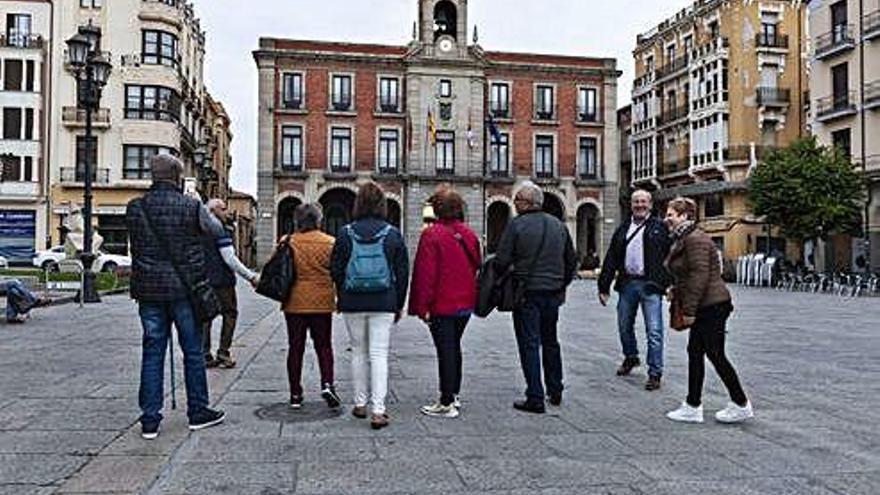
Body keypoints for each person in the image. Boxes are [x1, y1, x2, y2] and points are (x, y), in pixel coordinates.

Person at [126, 154, 226, 439]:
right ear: (178, 177)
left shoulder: (136, 207)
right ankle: (198, 411)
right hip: (185, 289)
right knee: (193, 352)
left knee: (152, 352)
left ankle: (149, 419)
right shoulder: (191, 206)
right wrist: (198, 209)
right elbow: (217, 230)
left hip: (149, 290)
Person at [663, 197, 753, 424]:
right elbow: (689, 274)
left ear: (685, 216)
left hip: (710, 305)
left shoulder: (695, 239)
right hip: (707, 304)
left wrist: (690, 309)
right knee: (697, 352)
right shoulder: (686, 238)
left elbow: (700, 276)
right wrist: (676, 290)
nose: (667, 218)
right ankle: (693, 405)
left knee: (714, 353)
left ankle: (740, 403)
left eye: (671, 214)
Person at [330, 182, 409, 429]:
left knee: (358, 352)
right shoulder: (393, 234)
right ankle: (378, 410)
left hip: (353, 300)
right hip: (384, 300)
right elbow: (403, 272)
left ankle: (360, 403)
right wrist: (398, 303)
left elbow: (335, 269)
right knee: (379, 354)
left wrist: (342, 295)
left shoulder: (345, 233)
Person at [495, 181, 578, 414]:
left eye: (518, 200)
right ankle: (556, 388)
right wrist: (561, 284)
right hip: (552, 294)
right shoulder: (559, 226)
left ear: (528, 203)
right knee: (550, 340)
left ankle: (535, 396)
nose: (515, 204)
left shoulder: (516, 226)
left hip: (526, 293)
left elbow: (501, 261)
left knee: (529, 343)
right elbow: (571, 261)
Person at [409, 187, 481, 419]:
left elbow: (425, 274)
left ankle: (446, 401)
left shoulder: (431, 235)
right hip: (465, 303)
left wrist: (422, 307)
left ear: (438, 209)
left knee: (446, 350)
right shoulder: (468, 234)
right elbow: (476, 264)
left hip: (442, 303)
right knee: (454, 347)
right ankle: (455, 394)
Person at [597, 189, 672, 390]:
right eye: (636, 202)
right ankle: (631, 357)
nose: (639, 205)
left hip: (651, 286)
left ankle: (655, 372)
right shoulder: (622, 229)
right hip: (627, 284)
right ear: (631, 205)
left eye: (643, 202)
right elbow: (611, 258)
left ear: (650, 204)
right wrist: (603, 287)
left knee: (654, 330)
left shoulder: (660, 227)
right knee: (623, 326)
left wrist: (668, 283)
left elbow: (671, 256)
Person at [282, 203, 341, 410]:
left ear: (297, 221)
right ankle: (327, 384)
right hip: (322, 302)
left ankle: (295, 394)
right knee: (324, 346)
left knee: (295, 348)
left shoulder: (288, 242)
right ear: (319, 220)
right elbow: (337, 272)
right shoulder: (330, 243)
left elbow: (277, 268)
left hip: (294, 302)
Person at [202, 198, 259, 369]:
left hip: (203, 281)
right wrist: (251, 277)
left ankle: (204, 354)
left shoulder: (200, 229)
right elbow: (230, 259)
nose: (227, 212)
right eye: (224, 208)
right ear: (214, 210)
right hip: (222, 281)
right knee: (230, 313)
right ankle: (223, 353)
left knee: (206, 317)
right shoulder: (219, 229)